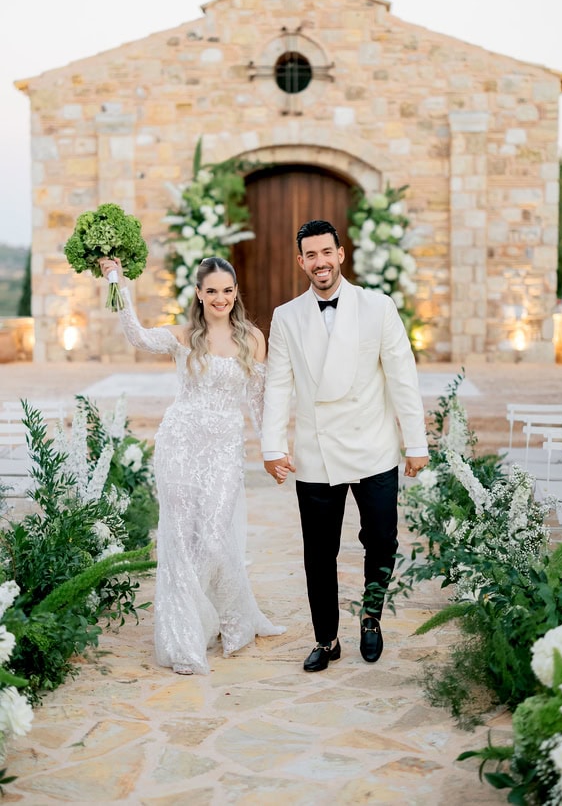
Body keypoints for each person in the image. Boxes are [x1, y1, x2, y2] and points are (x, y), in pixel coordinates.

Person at [98, 255, 285, 675]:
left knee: (215, 539)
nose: (220, 298)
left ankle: (231, 619)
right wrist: (117, 281)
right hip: (180, 445)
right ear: (199, 293)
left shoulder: (253, 338)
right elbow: (138, 336)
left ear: (236, 292)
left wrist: (274, 450)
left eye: (227, 290)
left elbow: (259, 403)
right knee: (181, 541)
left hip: (223, 450)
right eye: (212, 290)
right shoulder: (184, 335)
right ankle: (184, 639)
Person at [261, 219, 428, 672]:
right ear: (301, 262)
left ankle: (371, 618)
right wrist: (272, 446)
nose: (320, 262)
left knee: (382, 540)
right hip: (317, 451)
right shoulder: (286, 316)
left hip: (373, 445)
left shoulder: (378, 307)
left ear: (341, 254)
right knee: (319, 551)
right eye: (310, 255)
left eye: (326, 253)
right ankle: (327, 638)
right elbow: (277, 385)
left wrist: (416, 442)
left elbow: (402, 378)